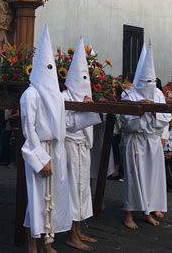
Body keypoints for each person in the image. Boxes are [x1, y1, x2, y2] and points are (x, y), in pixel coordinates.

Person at [20, 26, 72, 253]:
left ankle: (48, 241)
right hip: (39, 149)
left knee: (54, 199)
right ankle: (32, 242)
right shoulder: (30, 94)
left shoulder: (58, 97)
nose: (51, 71)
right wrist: (41, 159)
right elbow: (28, 130)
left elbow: (64, 124)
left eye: (53, 67)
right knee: (36, 199)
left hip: (56, 149)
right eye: (47, 67)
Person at [120, 42, 171, 230]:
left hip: (153, 140)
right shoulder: (129, 95)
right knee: (135, 177)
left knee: (152, 177)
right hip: (136, 141)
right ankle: (128, 213)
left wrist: (153, 110)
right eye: (145, 82)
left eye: (151, 81)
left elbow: (166, 116)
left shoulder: (158, 92)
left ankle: (148, 210)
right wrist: (140, 110)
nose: (149, 86)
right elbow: (125, 121)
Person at [62, 37, 102, 250]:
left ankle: (79, 230)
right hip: (69, 147)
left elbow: (90, 123)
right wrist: (83, 112)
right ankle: (71, 233)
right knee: (72, 190)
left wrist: (89, 109)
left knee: (82, 189)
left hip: (83, 147)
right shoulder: (64, 97)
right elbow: (64, 122)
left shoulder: (87, 95)